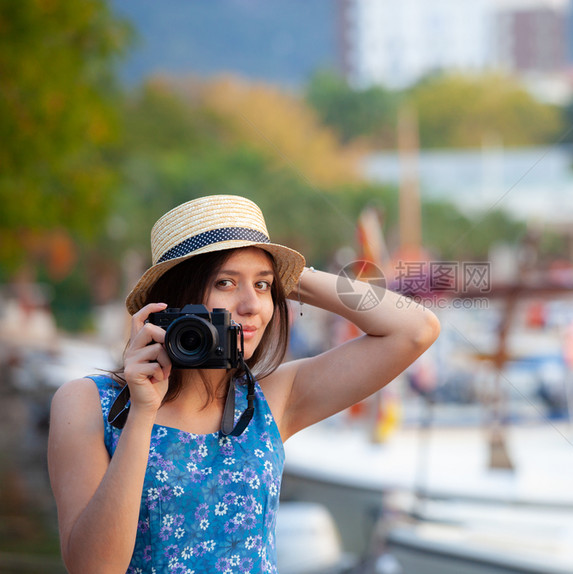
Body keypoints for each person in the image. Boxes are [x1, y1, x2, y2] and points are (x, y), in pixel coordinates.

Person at [47, 195, 440, 573]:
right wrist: (143, 410)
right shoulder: (89, 402)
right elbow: (95, 568)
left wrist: (290, 276)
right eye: (225, 283)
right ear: (175, 299)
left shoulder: (271, 399)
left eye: (263, 287)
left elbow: (416, 329)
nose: (252, 306)